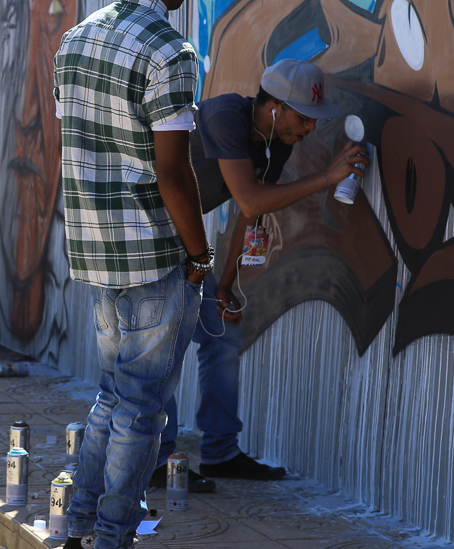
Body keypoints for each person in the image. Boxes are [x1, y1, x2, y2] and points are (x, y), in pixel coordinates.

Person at [55, 0, 215, 549]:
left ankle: (80, 532)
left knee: (113, 395)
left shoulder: (76, 39)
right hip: (152, 253)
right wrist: (202, 254)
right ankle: (113, 547)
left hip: (93, 248)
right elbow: (172, 170)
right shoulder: (171, 53)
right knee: (144, 406)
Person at [151, 58, 368, 492]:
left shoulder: (274, 139)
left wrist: (226, 285)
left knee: (223, 335)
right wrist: (327, 177)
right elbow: (251, 200)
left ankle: (221, 452)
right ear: (273, 109)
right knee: (163, 347)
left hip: (187, 244)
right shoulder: (224, 117)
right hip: (151, 239)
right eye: (303, 119)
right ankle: (155, 459)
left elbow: (246, 215)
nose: (307, 130)